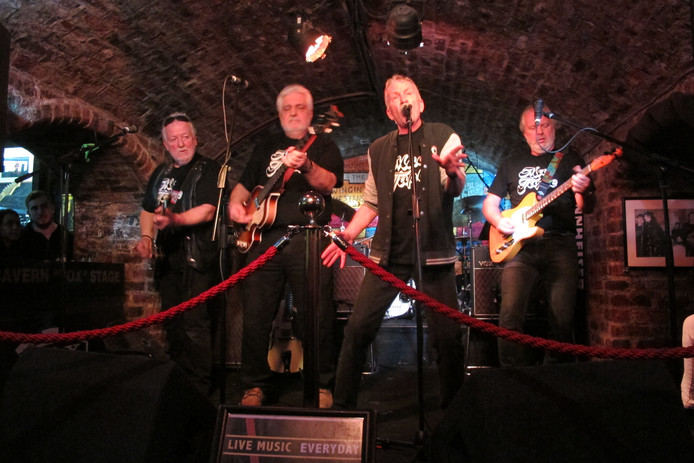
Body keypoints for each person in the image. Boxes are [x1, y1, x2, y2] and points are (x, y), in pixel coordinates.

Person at [322, 74, 467, 410]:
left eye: (409, 93)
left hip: (434, 254)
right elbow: (371, 202)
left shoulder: (442, 134)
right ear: (390, 111)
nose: (404, 98)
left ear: (420, 103)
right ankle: (343, 411)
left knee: (447, 338)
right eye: (395, 95)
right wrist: (346, 236)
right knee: (358, 329)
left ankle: (456, 412)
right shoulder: (378, 148)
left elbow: (454, 187)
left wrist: (452, 171)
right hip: (388, 254)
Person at [228, 84, 344, 407]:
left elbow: (329, 184)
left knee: (315, 313)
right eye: (286, 109)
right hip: (263, 238)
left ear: (309, 112)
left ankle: (320, 383)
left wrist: (306, 166)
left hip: (307, 236)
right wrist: (236, 208)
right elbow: (241, 187)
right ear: (279, 115)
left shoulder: (324, 145)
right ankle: (253, 385)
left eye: (299, 107)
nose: (293, 113)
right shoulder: (265, 145)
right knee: (256, 314)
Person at [482, 103, 595, 366]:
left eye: (545, 125)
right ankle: (513, 379)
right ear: (524, 134)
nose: (540, 131)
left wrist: (585, 189)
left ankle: (553, 379)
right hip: (520, 248)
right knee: (509, 317)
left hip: (561, 245)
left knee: (562, 321)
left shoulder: (569, 160)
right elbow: (490, 204)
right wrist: (499, 222)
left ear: (553, 128)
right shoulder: (511, 163)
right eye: (534, 127)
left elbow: (585, 207)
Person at [134, 112, 222, 394]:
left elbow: (209, 209)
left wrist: (176, 220)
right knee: (172, 324)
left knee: (195, 325)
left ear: (195, 139)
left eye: (186, 137)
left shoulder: (209, 168)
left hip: (197, 258)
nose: (181, 143)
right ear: (165, 144)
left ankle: (199, 389)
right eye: (174, 139)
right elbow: (148, 208)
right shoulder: (160, 173)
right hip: (167, 259)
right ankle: (178, 385)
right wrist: (147, 237)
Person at [20, 190, 73, 261]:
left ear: (52, 208)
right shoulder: (22, 238)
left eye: (44, 206)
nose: (40, 212)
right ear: (29, 213)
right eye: (34, 208)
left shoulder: (66, 237)